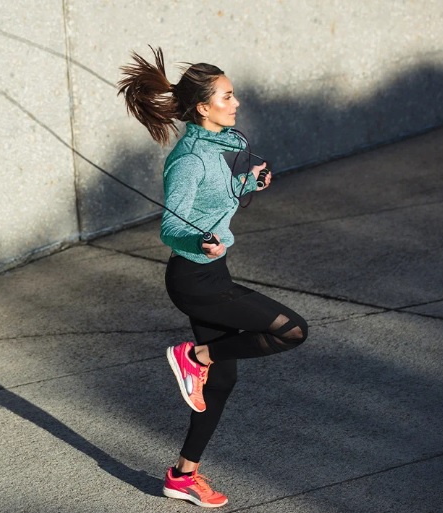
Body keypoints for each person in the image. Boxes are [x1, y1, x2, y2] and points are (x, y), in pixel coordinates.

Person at [118, 47, 309, 508]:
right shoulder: (188, 160)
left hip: (212, 273)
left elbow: (224, 189)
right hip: (195, 280)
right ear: (203, 108)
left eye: (233, 93)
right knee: (292, 330)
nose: (236, 102)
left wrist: (251, 182)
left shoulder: (229, 143)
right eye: (227, 96)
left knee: (222, 385)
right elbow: (172, 225)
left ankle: (183, 476)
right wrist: (198, 241)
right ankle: (195, 355)